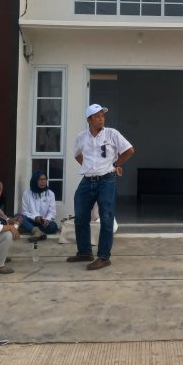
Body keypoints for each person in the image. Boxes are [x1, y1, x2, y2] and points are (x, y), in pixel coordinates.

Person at [67, 103, 135, 270]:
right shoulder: (81, 137)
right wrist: (89, 168)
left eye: (102, 116)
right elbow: (77, 154)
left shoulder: (112, 134)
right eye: (97, 116)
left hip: (107, 180)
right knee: (81, 216)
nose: (101, 119)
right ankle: (84, 252)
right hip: (87, 180)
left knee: (106, 217)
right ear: (89, 119)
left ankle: (104, 257)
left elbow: (129, 150)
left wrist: (116, 163)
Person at [16, 170, 59, 242]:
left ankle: (30, 229)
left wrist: (47, 220)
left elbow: (52, 212)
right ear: (35, 180)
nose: (43, 182)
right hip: (31, 220)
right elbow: (25, 212)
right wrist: (35, 218)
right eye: (40, 179)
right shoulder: (27, 193)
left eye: (45, 179)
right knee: (18, 216)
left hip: (44, 223)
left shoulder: (50, 194)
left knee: (53, 226)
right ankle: (35, 231)